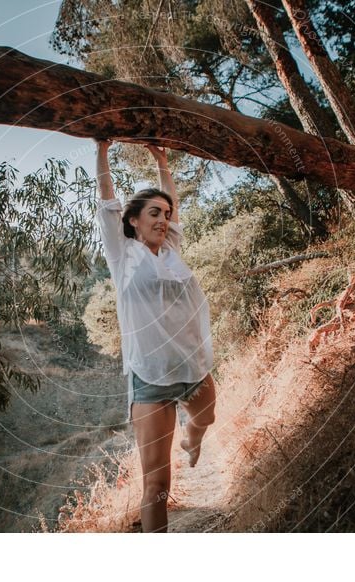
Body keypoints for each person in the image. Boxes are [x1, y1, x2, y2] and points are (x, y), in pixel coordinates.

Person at [94, 138, 216, 533]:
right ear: (134, 220)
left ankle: (192, 440)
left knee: (206, 417)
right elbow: (107, 202)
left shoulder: (171, 249)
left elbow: (172, 201)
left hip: (192, 365)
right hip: (149, 378)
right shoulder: (122, 254)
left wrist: (161, 159)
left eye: (166, 213)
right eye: (154, 213)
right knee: (157, 485)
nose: (163, 219)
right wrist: (102, 149)